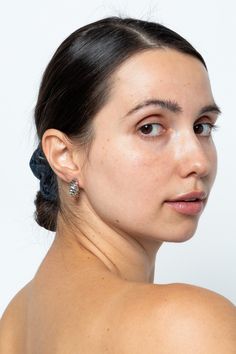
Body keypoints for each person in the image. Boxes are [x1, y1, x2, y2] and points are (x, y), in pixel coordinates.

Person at [0, 16, 235, 353]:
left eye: (202, 126)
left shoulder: (15, 321)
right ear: (65, 155)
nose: (197, 161)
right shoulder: (187, 326)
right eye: (150, 128)